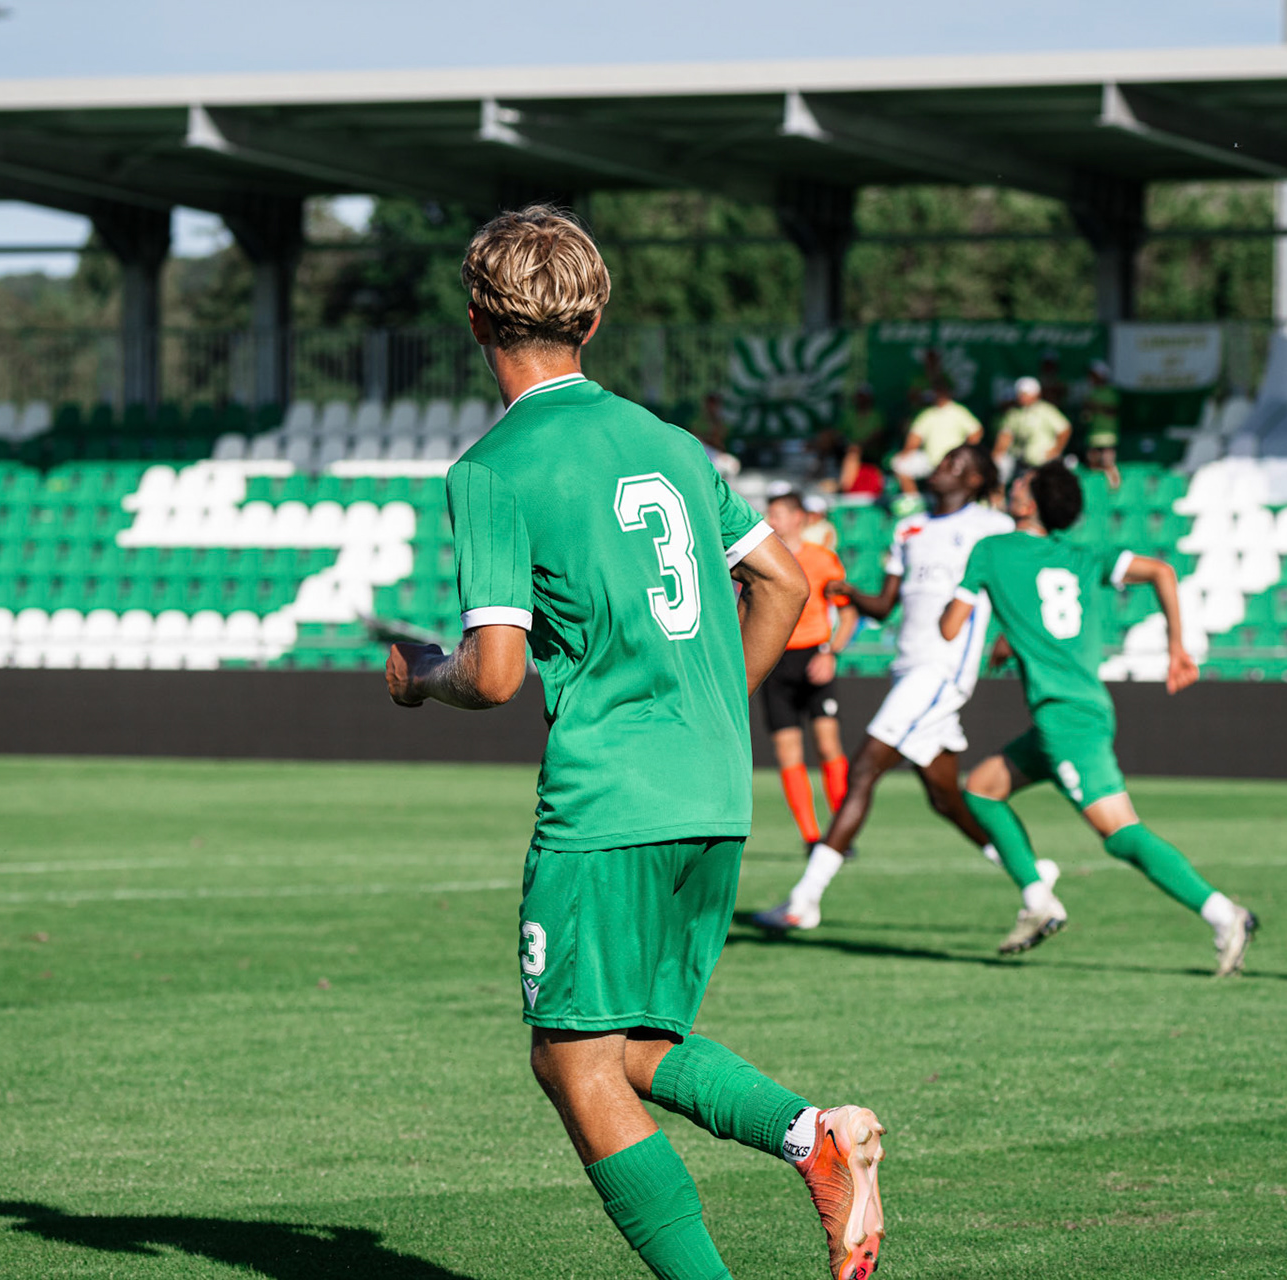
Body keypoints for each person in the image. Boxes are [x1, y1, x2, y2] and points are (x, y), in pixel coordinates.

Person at [384, 206, 886, 1280]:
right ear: (594, 319)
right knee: (631, 1043)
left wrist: (423, 677)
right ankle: (814, 1136)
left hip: (610, 799)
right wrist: (703, 704)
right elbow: (784, 583)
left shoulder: (492, 469)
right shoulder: (671, 443)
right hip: (713, 790)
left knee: (570, 1058)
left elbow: (497, 672)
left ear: (475, 320)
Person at [940, 461, 1258, 965]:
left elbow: (949, 628)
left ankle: (1224, 914)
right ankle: (1037, 900)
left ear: (1028, 504)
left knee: (1119, 833)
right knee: (981, 790)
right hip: (1076, 710)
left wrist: (965, 604)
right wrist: (1177, 647)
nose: (1012, 486)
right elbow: (1162, 571)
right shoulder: (1082, 556)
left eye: (1021, 484)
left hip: (1065, 720)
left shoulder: (991, 550)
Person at [754, 445, 1016, 931]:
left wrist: (1009, 637)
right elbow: (884, 606)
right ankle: (1033, 878)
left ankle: (804, 899)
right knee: (946, 799)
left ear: (977, 480)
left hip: (942, 670)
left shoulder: (993, 526)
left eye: (955, 464)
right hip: (907, 668)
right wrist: (852, 594)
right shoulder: (909, 528)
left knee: (863, 768)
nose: (941, 468)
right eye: (943, 461)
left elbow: (1016, 584)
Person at [763, 490, 861, 847]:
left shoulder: (822, 560)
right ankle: (810, 836)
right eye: (769, 513)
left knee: (827, 745)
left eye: (777, 514)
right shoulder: (759, 559)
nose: (770, 520)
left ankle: (841, 835)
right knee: (787, 753)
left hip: (813, 658)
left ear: (798, 518)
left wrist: (830, 653)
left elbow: (848, 615)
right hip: (776, 660)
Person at [892, 382, 982, 498]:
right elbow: (914, 438)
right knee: (900, 463)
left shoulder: (958, 411)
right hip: (930, 461)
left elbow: (976, 432)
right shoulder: (927, 414)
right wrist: (906, 453)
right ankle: (914, 500)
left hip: (954, 461)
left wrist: (964, 452)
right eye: (936, 392)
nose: (939, 395)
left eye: (941, 391)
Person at [993, 375, 1072, 477]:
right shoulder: (1013, 414)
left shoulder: (1046, 410)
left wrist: (1056, 450)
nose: (1022, 396)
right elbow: (1005, 436)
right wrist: (997, 455)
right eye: (1020, 393)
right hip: (1022, 464)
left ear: (1036, 394)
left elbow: (1065, 429)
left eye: (1025, 393)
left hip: (1044, 464)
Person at [1077, 360, 1122, 491]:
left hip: (1108, 438)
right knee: (1093, 465)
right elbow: (1086, 417)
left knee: (1108, 464)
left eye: (1094, 375)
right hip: (1093, 437)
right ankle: (1097, 491)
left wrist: (1095, 406)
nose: (1091, 378)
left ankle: (1115, 492)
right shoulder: (1091, 393)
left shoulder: (1111, 392)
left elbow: (1113, 411)